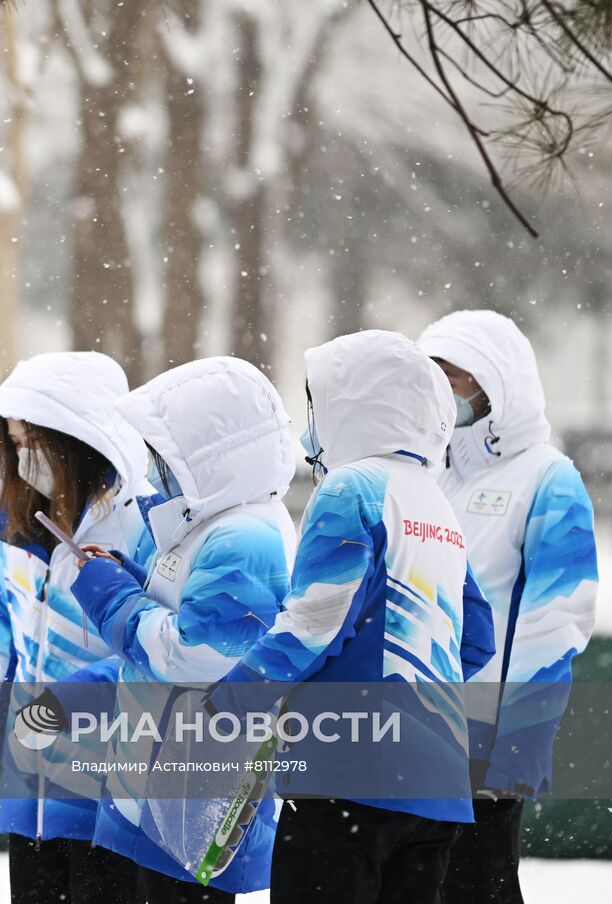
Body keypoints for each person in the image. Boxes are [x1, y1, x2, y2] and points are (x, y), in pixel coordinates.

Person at [209, 330, 496, 904]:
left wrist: (229, 701)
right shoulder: (434, 502)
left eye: (316, 403)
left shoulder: (353, 489)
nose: (309, 424)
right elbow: (477, 637)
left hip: (348, 774)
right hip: (436, 785)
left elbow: (313, 621)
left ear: (356, 405)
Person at [67, 357, 299, 903]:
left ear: (212, 454)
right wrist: (124, 574)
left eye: (166, 454)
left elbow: (197, 655)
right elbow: (177, 606)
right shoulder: (202, 522)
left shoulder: (246, 536)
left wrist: (109, 594)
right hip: (157, 774)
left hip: (198, 787)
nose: (156, 469)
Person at [0, 351, 149, 904]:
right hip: (31, 780)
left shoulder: (142, 530)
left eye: (35, 442)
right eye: (13, 442)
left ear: (82, 440)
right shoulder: (17, 538)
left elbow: (158, 650)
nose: (23, 456)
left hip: (114, 783)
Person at [419, 311, 600, 904]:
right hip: (408, 727)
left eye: (456, 378)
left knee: (478, 885)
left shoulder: (549, 479)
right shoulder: (427, 477)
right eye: (433, 378)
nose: (446, 393)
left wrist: (520, 745)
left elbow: (557, 620)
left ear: (498, 385)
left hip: (484, 736)